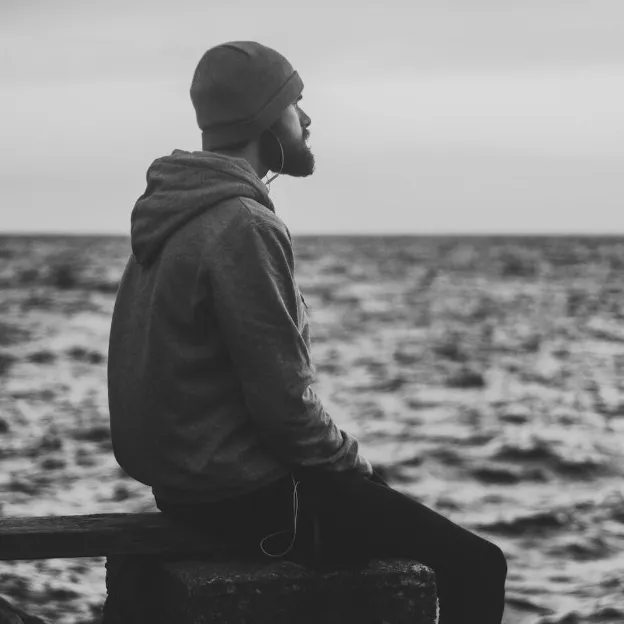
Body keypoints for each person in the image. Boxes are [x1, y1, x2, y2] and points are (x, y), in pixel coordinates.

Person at [107, 41, 507, 624]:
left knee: (383, 507)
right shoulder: (243, 224)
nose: (308, 120)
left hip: (184, 490)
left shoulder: (171, 212)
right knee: (477, 564)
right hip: (248, 503)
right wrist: (355, 467)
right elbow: (284, 405)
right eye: (296, 105)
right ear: (265, 120)